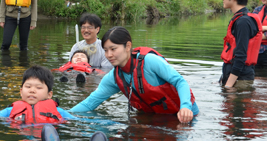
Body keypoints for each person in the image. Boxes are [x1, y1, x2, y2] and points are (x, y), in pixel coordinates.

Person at [70, 27, 198, 123]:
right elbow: (89, 104)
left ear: (128, 46)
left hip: (185, 118)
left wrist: (185, 107)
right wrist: (64, 115)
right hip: (154, 120)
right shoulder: (113, 77)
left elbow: (180, 82)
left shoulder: (150, 61)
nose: (108, 55)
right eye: (105, 50)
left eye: (113, 49)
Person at [220, 0, 263, 87]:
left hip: (239, 81)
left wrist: (228, 86)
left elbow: (241, 56)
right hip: (235, 78)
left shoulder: (243, 22)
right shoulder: (240, 19)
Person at [0, 65, 75, 123]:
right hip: (20, 137)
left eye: (38, 88)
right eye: (28, 86)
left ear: (49, 95)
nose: (32, 90)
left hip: (47, 135)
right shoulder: (10, 111)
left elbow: (76, 121)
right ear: (21, 92)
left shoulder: (58, 112)